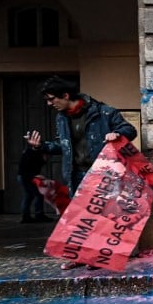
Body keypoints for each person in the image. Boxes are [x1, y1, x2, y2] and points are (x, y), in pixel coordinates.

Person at [27, 76, 137, 268]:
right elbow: (63, 146)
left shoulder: (103, 112)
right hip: (76, 174)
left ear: (66, 95)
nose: (49, 103)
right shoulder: (62, 118)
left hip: (102, 173)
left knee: (101, 216)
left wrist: (118, 134)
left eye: (52, 99)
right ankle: (78, 256)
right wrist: (41, 146)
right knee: (78, 218)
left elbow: (130, 129)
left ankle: (95, 256)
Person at [16, 144, 51, 223]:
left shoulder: (35, 155)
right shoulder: (32, 154)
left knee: (29, 195)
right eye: (45, 155)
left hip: (25, 176)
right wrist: (35, 175)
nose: (46, 157)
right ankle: (37, 215)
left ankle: (27, 216)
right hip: (25, 176)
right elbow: (25, 168)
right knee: (36, 194)